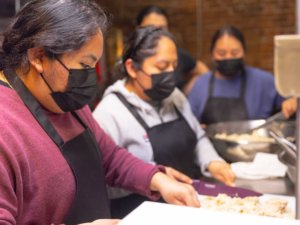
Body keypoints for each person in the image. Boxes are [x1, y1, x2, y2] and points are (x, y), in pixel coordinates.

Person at [0, 1, 201, 224]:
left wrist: (157, 179)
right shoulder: (5, 125)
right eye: (85, 65)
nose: (90, 77)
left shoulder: (66, 101)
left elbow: (110, 157)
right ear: (38, 57)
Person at [93, 26, 235, 218]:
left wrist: (212, 161)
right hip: (139, 215)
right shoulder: (109, 113)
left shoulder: (175, 97)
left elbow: (198, 136)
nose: (171, 74)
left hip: (186, 207)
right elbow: (103, 183)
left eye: (174, 66)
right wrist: (155, 181)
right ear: (132, 68)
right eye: (161, 67)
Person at [188, 25, 297, 125]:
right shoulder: (201, 84)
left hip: (256, 145)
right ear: (212, 54)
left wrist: (291, 103)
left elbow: (291, 101)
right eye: (221, 54)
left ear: (244, 53)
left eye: (235, 53)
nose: (228, 57)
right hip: (209, 146)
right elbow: (190, 123)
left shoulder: (264, 81)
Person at [135, 5, 209, 95]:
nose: (156, 34)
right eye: (150, 28)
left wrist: (186, 91)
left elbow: (202, 71)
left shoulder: (177, 55)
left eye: (162, 29)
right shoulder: (132, 58)